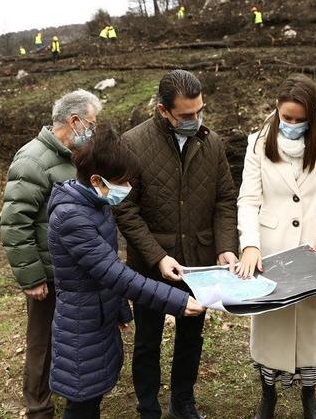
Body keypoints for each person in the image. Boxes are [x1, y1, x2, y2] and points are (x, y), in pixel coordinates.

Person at [47, 127, 205, 419]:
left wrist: (118, 308)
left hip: (97, 315)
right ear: (97, 180)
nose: (128, 188)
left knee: (91, 395)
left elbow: (101, 267)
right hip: (80, 325)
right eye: (122, 182)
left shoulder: (94, 203)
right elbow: (115, 273)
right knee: (82, 402)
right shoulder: (72, 218)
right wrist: (178, 302)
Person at [115, 69, 239, 419]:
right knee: (147, 340)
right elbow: (125, 209)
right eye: (186, 115)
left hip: (199, 264)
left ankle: (183, 401)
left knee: (191, 338)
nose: (195, 119)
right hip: (151, 267)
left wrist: (226, 244)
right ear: (163, 110)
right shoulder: (133, 144)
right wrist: (156, 257)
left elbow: (224, 200)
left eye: (200, 111)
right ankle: (148, 406)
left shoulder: (210, 142)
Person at [235, 74, 316, 419]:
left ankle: (309, 393)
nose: (293, 125)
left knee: (312, 329)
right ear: (277, 112)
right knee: (272, 326)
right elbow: (248, 199)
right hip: (272, 252)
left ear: (312, 116)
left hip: (315, 250)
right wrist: (250, 245)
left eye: (301, 120)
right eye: (287, 118)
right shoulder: (258, 143)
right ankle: (267, 393)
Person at [0, 89, 101, 419]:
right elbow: (15, 224)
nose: (94, 129)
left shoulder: (75, 155)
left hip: (74, 273)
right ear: (74, 121)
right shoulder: (32, 160)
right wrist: (31, 278)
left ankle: (68, 391)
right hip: (48, 275)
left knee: (70, 337)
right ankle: (38, 408)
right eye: (92, 122)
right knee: (42, 343)